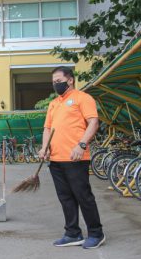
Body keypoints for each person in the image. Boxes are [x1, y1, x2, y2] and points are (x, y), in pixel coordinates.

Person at [40, 66, 104, 249]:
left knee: (83, 196)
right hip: (56, 159)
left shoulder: (82, 98)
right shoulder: (54, 104)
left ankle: (96, 233)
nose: (56, 85)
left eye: (59, 81)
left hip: (76, 157)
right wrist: (44, 148)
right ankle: (72, 233)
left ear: (70, 80)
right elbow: (47, 128)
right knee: (65, 197)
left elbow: (93, 122)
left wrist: (81, 145)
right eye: (53, 82)